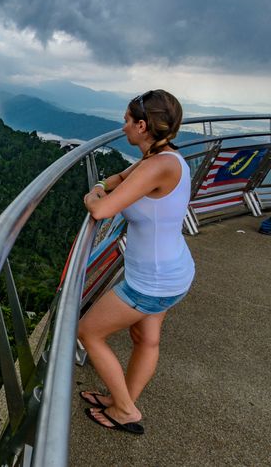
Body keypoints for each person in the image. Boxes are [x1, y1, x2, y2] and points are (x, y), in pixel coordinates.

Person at [78, 89, 195, 435]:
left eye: (128, 121)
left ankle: (126, 410)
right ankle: (121, 398)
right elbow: (119, 180)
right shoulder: (163, 158)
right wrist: (104, 183)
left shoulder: (157, 166)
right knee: (146, 339)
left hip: (152, 281)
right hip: (172, 274)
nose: (123, 126)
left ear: (142, 126)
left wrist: (93, 193)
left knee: (88, 332)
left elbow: (100, 208)